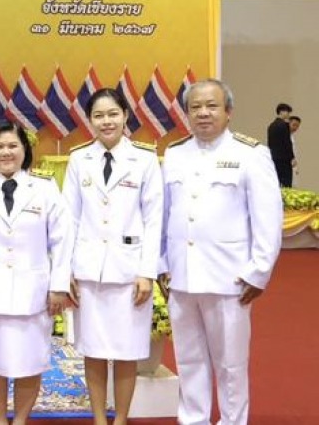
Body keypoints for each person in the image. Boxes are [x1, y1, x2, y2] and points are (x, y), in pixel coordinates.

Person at [160, 79, 282, 425]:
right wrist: (161, 265)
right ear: (186, 114)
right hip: (182, 277)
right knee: (188, 360)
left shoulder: (250, 154)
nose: (203, 113)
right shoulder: (175, 154)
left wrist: (258, 272)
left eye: (211, 106)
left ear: (228, 112)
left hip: (230, 278)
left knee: (230, 363)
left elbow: (267, 219)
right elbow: (164, 215)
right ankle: (193, 419)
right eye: (195, 107)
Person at [0, 120, 73, 425]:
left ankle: (20, 419)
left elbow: (62, 239)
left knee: (30, 362)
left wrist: (59, 286)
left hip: (34, 293)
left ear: (24, 150)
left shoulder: (44, 188)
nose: (6, 152)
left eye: (13, 146)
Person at [61, 88, 163, 425]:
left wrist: (147, 272)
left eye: (113, 114)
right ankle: (98, 418)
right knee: (93, 349)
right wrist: (67, 271)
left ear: (125, 116)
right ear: (89, 121)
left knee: (126, 351)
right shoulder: (79, 159)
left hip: (130, 271)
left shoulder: (145, 159)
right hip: (89, 270)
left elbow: (154, 218)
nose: (107, 121)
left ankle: (120, 418)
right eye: (99, 116)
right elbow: (69, 218)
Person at [266, 102, 295, 187]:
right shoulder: (284, 125)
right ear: (281, 112)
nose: (288, 114)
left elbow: (270, 142)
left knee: (276, 181)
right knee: (287, 183)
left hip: (274, 157)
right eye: (287, 112)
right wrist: (292, 157)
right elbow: (287, 142)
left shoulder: (271, 126)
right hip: (284, 159)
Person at [289, 115, 302, 180]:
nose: (295, 128)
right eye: (294, 125)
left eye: (297, 126)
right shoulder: (284, 137)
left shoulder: (291, 136)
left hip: (292, 166)